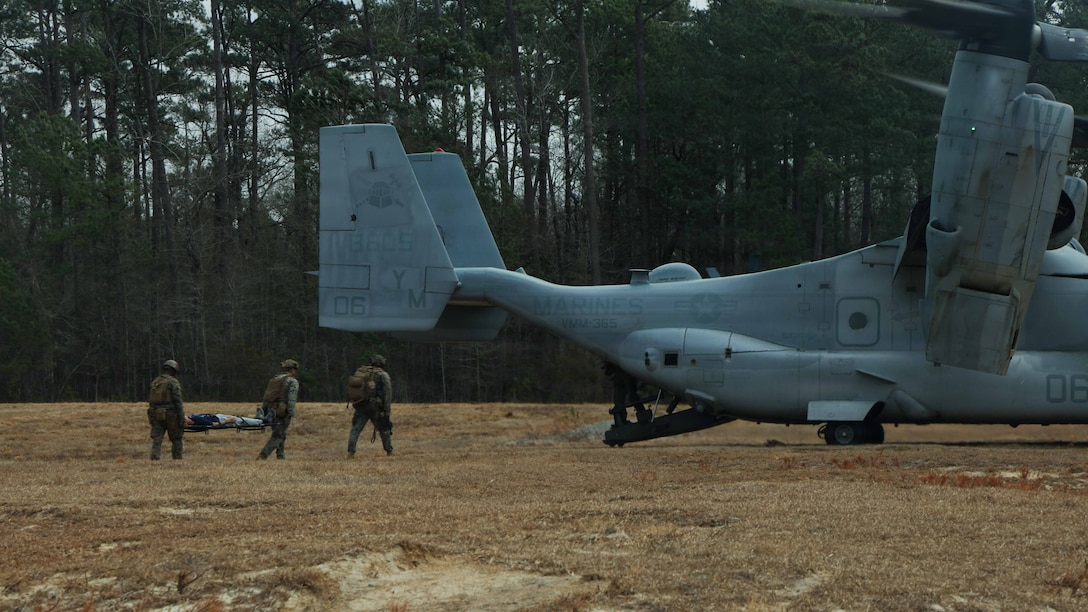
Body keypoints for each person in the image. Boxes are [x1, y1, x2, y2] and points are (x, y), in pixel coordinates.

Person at [347, 354, 393, 457]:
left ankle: (351, 452)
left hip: (361, 405)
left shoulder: (362, 372)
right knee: (384, 428)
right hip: (375, 407)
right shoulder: (383, 375)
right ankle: (389, 451)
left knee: (356, 429)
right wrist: (387, 411)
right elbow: (388, 394)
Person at [257, 359, 299, 460]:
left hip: (271, 410)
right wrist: (290, 412)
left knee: (280, 433)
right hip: (281, 411)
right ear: (292, 369)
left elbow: (267, 396)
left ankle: (280, 456)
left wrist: (264, 410)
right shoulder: (292, 381)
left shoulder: (276, 379)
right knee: (278, 435)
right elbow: (292, 399)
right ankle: (263, 455)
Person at [148, 359, 185, 460]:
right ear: (173, 370)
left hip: (156, 413)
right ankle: (177, 459)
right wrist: (181, 418)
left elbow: (151, 400)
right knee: (176, 438)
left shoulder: (155, 381)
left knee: (157, 439)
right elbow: (178, 401)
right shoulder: (173, 382)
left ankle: (154, 458)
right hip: (171, 414)